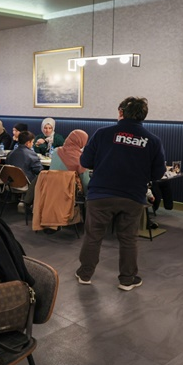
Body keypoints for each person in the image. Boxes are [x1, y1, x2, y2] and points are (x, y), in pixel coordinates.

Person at [76, 97, 166, 291]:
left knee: (93, 236)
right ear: (144, 116)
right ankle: (127, 279)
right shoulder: (153, 141)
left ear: (120, 112)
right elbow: (158, 173)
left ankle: (85, 274)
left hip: (100, 194)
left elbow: (85, 160)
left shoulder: (102, 134)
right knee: (128, 239)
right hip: (133, 196)